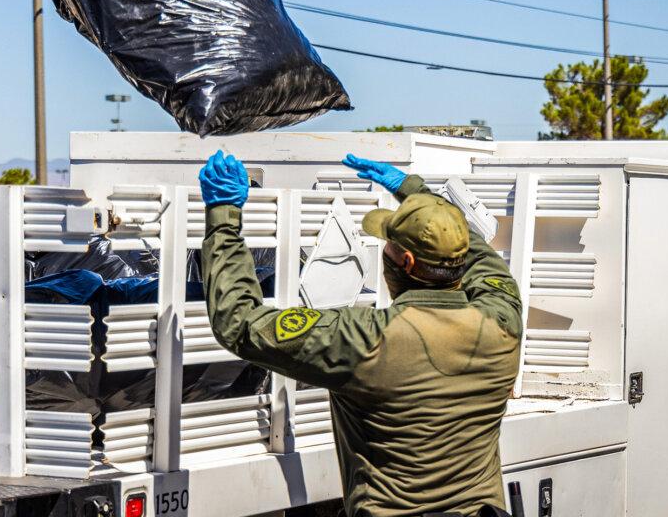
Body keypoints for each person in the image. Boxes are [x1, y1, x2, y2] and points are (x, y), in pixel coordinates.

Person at [198, 150, 522, 517]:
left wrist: (223, 217)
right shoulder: (502, 322)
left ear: (406, 262)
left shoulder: (365, 339)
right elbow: (477, 254)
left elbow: (239, 322)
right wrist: (416, 195)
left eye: (389, 243)